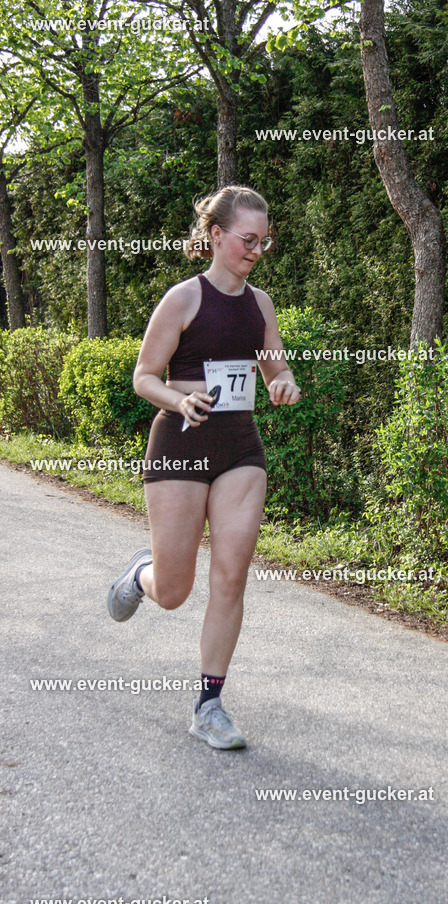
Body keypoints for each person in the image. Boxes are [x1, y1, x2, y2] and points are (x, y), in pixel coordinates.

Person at [107, 186, 300, 749]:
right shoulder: (183, 299)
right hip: (180, 445)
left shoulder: (259, 304)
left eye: (264, 241)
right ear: (216, 236)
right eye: (247, 239)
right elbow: (144, 375)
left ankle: (209, 705)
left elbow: (274, 370)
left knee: (231, 574)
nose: (256, 249)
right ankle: (142, 573)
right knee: (174, 591)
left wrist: (283, 383)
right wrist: (177, 400)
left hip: (240, 449)